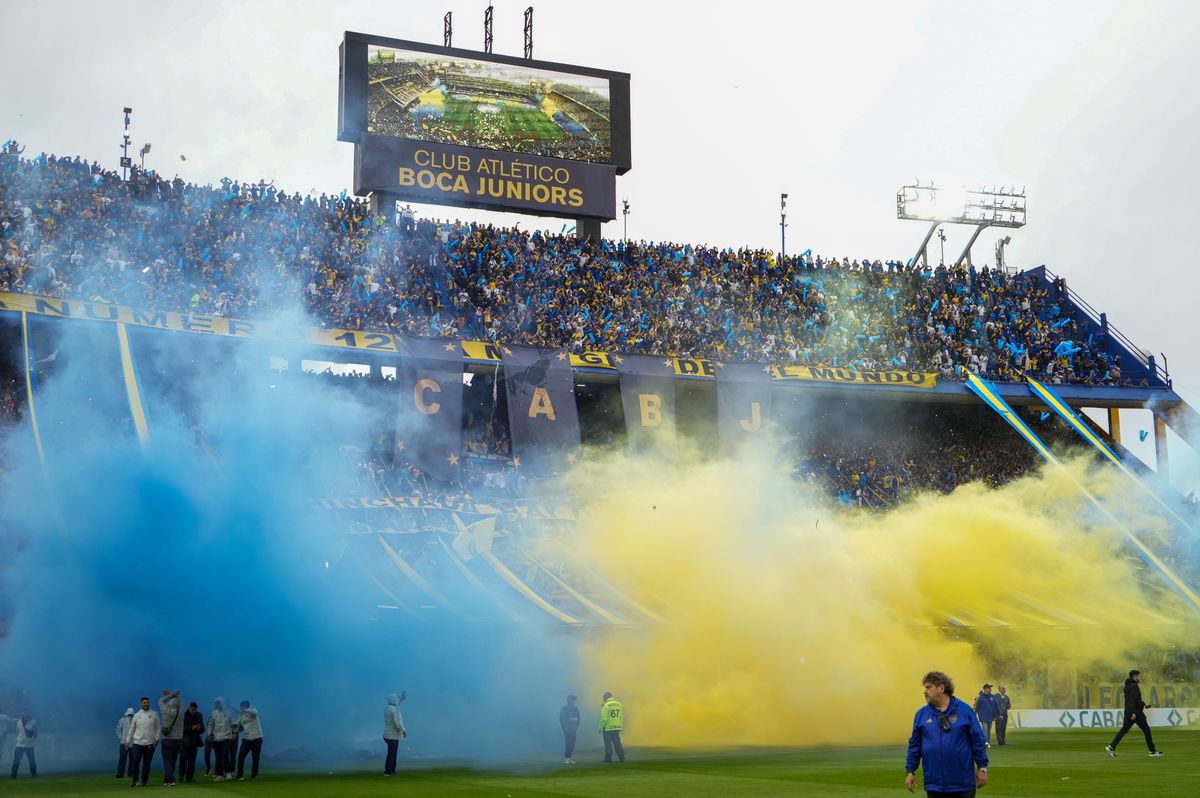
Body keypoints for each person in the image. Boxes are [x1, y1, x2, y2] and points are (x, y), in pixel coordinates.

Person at [905, 671, 988, 797]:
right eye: (924, 688)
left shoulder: (964, 711)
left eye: (929, 687)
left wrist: (982, 767)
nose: (925, 691)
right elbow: (914, 746)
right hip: (934, 785)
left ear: (941, 688)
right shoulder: (921, 714)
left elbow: (977, 741)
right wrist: (910, 771)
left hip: (962, 784)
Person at [1106, 669, 1163, 757]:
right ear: (1134, 676)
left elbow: (1133, 700)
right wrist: (1134, 713)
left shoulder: (1127, 686)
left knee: (1124, 730)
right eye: (1139, 676)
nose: (1141, 678)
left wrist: (1144, 704)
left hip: (1128, 711)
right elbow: (1133, 700)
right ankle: (1152, 751)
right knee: (1146, 730)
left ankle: (1111, 747)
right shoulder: (1134, 686)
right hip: (1136, 712)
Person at [124, 696, 161, 787]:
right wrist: (127, 740)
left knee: (147, 763)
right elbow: (132, 728)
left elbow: (159, 727)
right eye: (144, 702)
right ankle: (135, 780)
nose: (146, 704)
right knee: (135, 761)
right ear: (141, 704)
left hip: (149, 743)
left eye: (147, 702)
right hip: (137, 743)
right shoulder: (137, 715)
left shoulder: (154, 714)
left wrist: (156, 738)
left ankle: (144, 780)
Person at [159, 689, 184, 786]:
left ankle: (171, 780)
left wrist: (170, 695)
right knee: (173, 761)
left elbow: (160, 701)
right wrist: (175, 696)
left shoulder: (166, 710)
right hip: (178, 740)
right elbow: (181, 703)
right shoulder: (182, 712)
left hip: (167, 740)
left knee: (167, 761)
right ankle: (167, 779)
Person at [205, 697, 234, 781]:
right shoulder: (213, 713)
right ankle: (220, 775)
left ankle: (228, 773)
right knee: (218, 757)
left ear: (222, 703)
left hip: (226, 737)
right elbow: (210, 724)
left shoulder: (229, 712)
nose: (216, 705)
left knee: (225, 755)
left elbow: (234, 723)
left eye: (218, 703)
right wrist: (209, 734)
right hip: (216, 738)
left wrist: (234, 732)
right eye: (215, 703)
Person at [235, 701, 263, 781]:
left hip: (256, 737)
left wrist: (245, 710)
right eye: (240, 706)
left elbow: (255, 713)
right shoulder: (241, 715)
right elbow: (240, 727)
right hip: (247, 739)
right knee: (240, 756)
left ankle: (254, 776)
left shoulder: (252, 710)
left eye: (242, 706)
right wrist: (235, 726)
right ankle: (240, 776)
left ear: (246, 706)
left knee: (255, 758)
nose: (240, 708)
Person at [383, 692, 407, 777]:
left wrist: (401, 699)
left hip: (388, 735)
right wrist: (403, 730)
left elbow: (397, 704)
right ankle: (389, 771)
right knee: (392, 754)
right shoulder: (394, 710)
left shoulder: (388, 708)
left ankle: (390, 770)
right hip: (392, 735)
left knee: (391, 754)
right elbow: (397, 723)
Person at [181, 702, 205, 783]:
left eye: (195, 710)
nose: (194, 711)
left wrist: (199, 728)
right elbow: (181, 728)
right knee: (183, 759)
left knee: (192, 761)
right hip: (184, 741)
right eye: (192, 710)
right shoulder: (183, 715)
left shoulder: (199, 715)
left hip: (194, 741)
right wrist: (191, 727)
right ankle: (181, 775)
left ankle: (189, 777)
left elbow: (203, 728)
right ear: (189, 707)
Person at [598, 691, 625, 763]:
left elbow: (604, 718)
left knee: (608, 743)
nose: (603, 698)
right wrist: (620, 726)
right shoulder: (618, 704)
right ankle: (622, 756)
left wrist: (600, 728)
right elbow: (621, 716)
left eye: (604, 696)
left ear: (607, 697)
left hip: (608, 728)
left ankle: (608, 758)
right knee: (617, 743)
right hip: (616, 727)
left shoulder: (606, 705)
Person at [9, 710, 37, 779]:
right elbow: (18, 731)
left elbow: (36, 731)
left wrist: (33, 740)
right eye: (24, 712)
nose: (25, 714)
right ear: (22, 713)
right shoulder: (18, 722)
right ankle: (13, 775)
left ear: (28, 713)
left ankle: (34, 775)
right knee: (16, 761)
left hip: (29, 745)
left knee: (32, 761)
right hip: (20, 744)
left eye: (26, 712)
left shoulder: (33, 722)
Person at [973, 684, 997, 748]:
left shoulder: (992, 697)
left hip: (990, 716)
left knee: (988, 730)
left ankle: (987, 742)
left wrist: (995, 716)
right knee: (985, 730)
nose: (990, 689)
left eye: (990, 688)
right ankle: (986, 742)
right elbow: (977, 707)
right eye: (988, 688)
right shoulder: (980, 697)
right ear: (985, 689)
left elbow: (995, 707)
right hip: (983, 716)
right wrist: (975, 714)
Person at [560, 694, 580, 764]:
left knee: (572, 743)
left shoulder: (575, 708)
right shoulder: (564, 709)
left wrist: (577, 725)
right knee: (568, 743)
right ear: (569, 700)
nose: (574, 701)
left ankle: (569, 758)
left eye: (574, 700)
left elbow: (578, 717)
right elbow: (562, 719)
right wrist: (564, 727)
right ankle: (567, 758)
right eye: (573, 700)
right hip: (567, 729)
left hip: (574, 729)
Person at [115, 707, 135, 779]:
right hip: (123, 743)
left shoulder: (135, 721)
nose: (130, 716)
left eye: (131, 714)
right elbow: (118, 730)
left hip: (133, 743)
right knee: (122, 759)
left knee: (132, 759)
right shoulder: (122, 720)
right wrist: (122, 739)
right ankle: (120, 773)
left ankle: (131, 773)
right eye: (129, 714)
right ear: (126, 713)